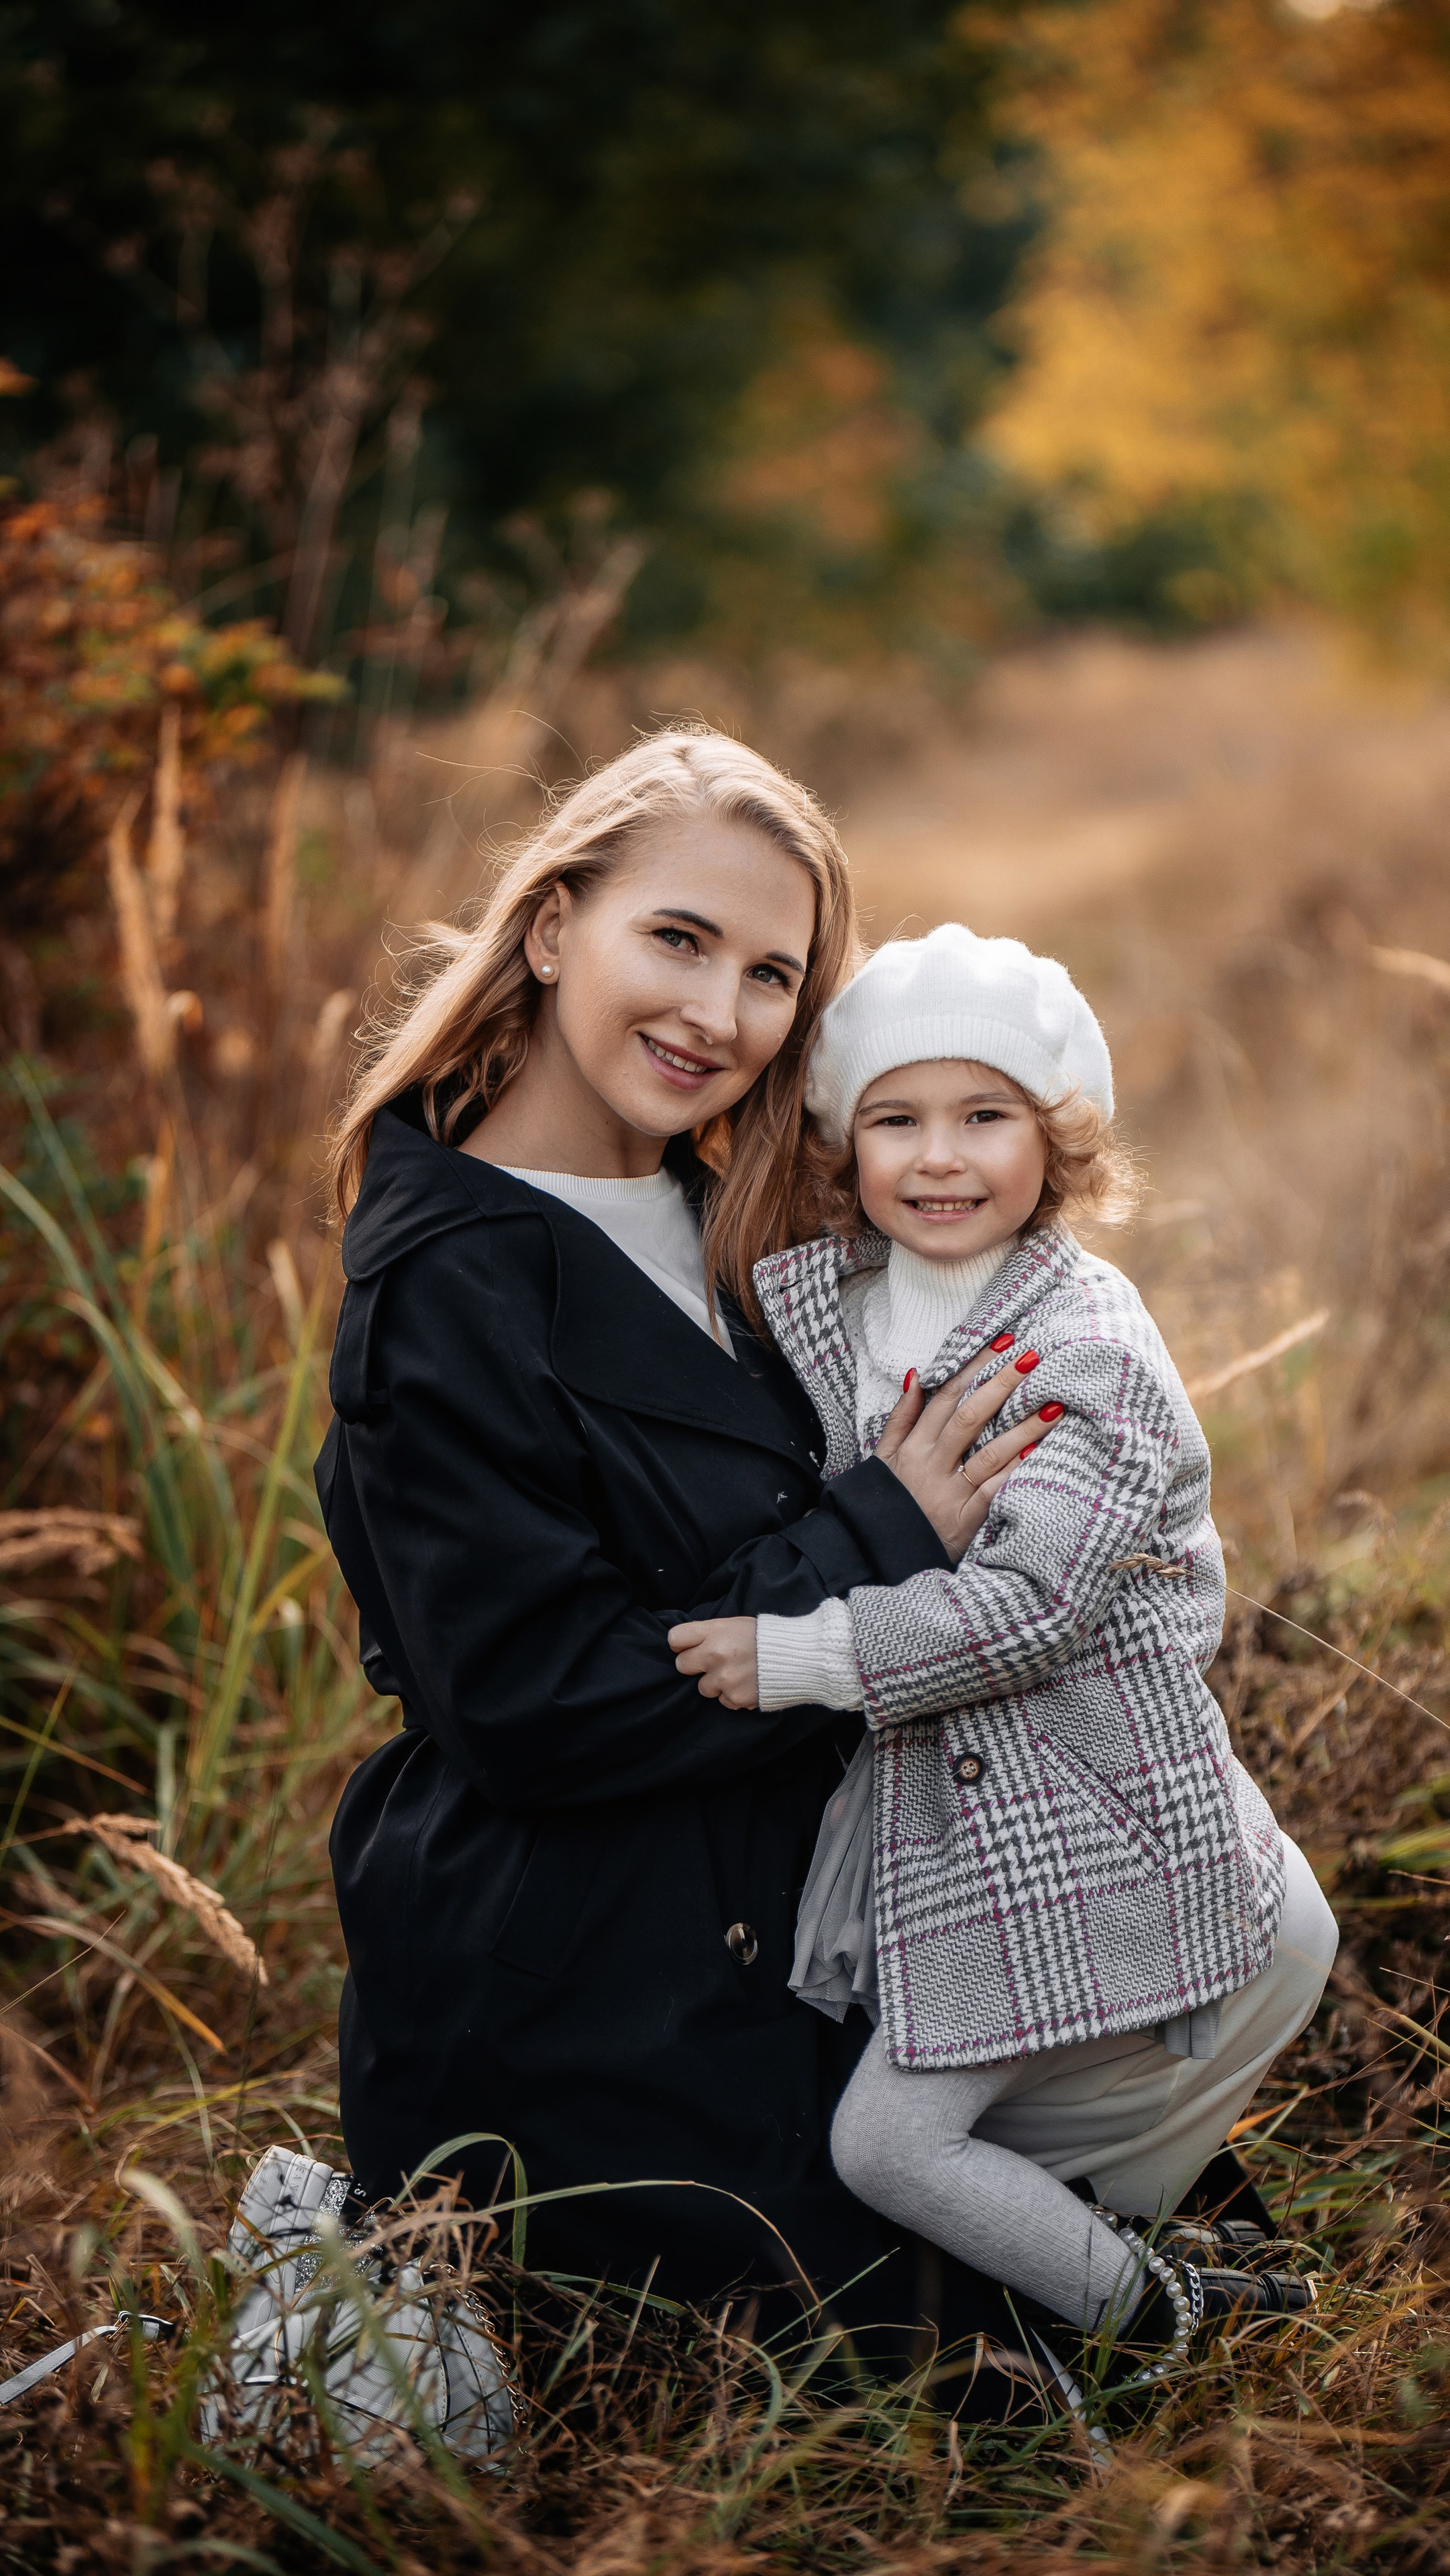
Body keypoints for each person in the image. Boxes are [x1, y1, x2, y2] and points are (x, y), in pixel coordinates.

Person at [314, 734, 1046, 2327]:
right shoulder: (449, 1278)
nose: (717, 1015)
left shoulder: (746, 1219)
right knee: (962, 2394)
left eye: (771, 975)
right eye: (678, 939)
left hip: (818, 1909)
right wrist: (874, 1537)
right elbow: (533, 1704)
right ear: (550, 924)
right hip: (591, 1982)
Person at [669, 924, 1340, 2356]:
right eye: (894, 1120)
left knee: (886, 2149)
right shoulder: (831, 1298)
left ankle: (1142, 2324)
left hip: (1064, 1797)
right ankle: (1118, 2273)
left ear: (1058, 1145)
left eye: (985, 1118)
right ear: (845, 1146)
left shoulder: (1087, 1347)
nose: (939, 1159)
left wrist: (799, 1652)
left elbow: (1032, 1608)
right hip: (933, 1806)